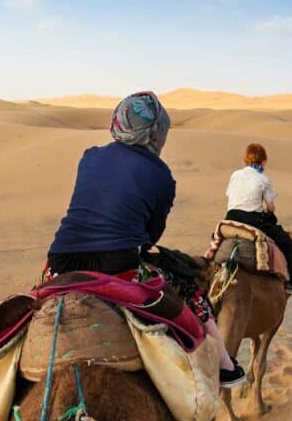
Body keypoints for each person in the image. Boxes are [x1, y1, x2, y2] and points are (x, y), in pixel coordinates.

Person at [47, 91, 246, 388]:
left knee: (32, 308)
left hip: (60, 262)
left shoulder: (89, 157)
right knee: (191, 292)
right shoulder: (161, 175)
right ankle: (223, 365)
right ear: (157, 132)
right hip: (119, 265)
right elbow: (151, 235)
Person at [225, 143, 292, 297]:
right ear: (264, 161)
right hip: (252, 219)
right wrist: (268, 208)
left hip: (231, 217)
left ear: (245, 160)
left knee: (218, 237)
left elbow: (231, 196)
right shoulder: (263, 179)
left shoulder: (235, 174)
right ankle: (291, 283)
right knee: (285, 242)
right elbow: (271, 207)